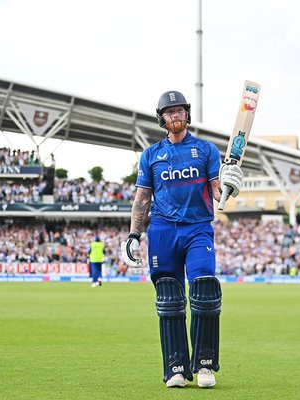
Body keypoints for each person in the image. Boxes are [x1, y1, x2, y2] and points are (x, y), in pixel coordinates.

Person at [120, 90, 243, 389]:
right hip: (162, 230)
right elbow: (142, 198)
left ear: (187, 114)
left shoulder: (205, 150)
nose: (176, 116)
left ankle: (203, 365)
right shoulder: (151, 155)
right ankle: (175, 368)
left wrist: (230, 186)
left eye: (180, 111)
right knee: (169, 299)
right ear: (161, 118)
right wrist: (134, 234)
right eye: (169, 112)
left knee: (204, 290)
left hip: (198, 227)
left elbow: (217, 192)